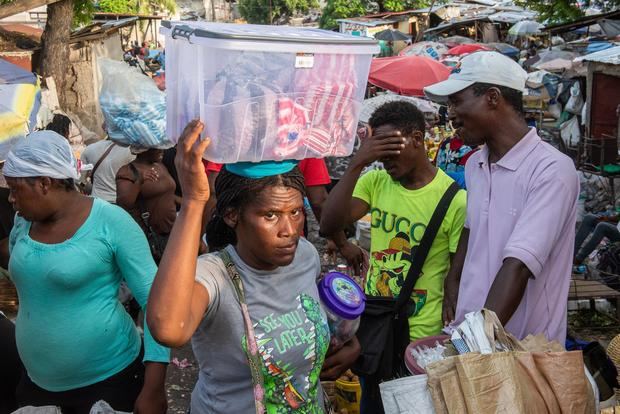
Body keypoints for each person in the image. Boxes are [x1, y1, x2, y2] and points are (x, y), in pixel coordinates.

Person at [147, 121, 360, 413]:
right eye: (270, 215)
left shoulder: (306, 256)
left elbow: (312, 316)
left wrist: (345, 343)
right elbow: (169, 329)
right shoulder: (215, 275)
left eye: (295, 212)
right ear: (233, 215)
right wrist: (195, 202)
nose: (289, 230)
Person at [0, 131, 169, 413]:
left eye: (16, 189)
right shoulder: (22, 222)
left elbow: (156, 302)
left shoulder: (111, 222)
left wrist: (154, 388)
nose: (11, 200)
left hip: (109, 381)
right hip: (36, 383)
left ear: (44, 183)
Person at [320, 101, 466, 413]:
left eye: (391, 150)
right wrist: (358, 163)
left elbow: (457, 273)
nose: (385, 161)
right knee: (372, 403)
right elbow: (329, 224)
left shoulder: (455, 200)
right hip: (375, 324)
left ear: (416, 139)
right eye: (379, 152)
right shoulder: (376, 182)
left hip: (421, 335)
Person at [424, 51, 579, 344]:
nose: (450, 115)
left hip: (523, 348)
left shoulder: (551, 170)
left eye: (456, 101)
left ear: (492, 97)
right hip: (473, 332)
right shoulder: (475, 164)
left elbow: (518, 266)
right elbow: (471, 228)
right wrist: (454, 279)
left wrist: (471, 344)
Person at [116, 147, 177, 263]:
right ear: (143, 149)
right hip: (150, 238)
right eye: (156, 148)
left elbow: (167, 194)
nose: (162, 150)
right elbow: (124, 204)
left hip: (170, 233)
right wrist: (139, 181)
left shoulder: (160, 166)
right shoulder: (128, 171)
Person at [80, 134, 135, 204]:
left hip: (96, 201)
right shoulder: (133, 151)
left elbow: (80, 180)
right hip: (120, 203)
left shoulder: (90, 148)